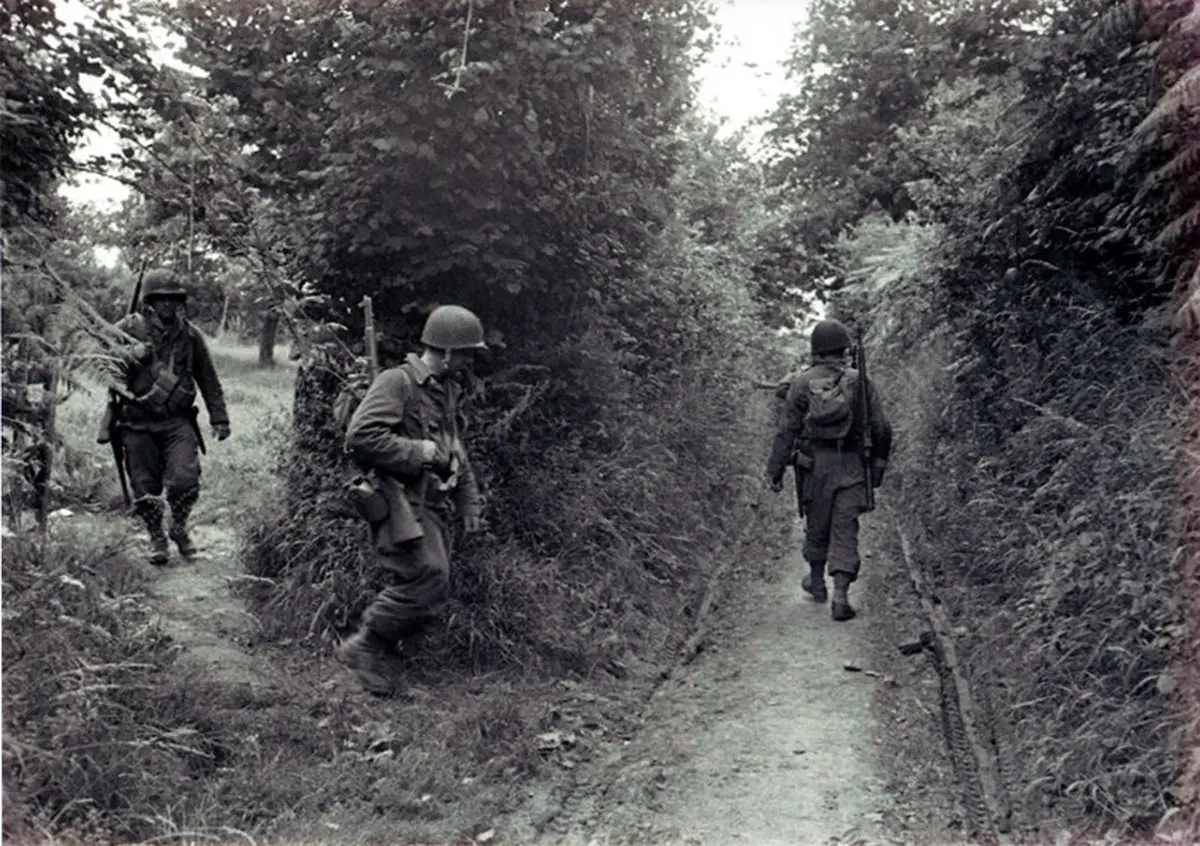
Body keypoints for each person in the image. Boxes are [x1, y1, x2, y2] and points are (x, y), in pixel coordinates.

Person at [337, 304, 487, 696]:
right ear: (448, 351)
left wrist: (468, 500)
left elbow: (455, 447)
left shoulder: (447, 390)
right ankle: (366, 643)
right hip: (399, 501)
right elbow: (360, 437)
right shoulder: (397, 383)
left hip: (432, 502)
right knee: (429, 575)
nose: (470, 361)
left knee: (434, 583)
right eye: (467, 353)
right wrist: (417, 451)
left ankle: (382, 665)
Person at [766, 318, 893, 621]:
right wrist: (878, 464)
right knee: (845, 527)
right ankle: (841, 596)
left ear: (816, 350)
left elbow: (786, 431)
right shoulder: (859, 381)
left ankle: (817, 581)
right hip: (851, 464)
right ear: (842, 349)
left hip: (814, 466)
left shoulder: (800, 382)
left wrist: (774, 470)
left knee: (816, 521)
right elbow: (881, 428)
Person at [107, 269, 230, 565]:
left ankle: (178, 527)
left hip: (177, 421)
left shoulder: (190, 335)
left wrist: (220, 418)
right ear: (150, 301)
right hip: (136, 422)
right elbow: (102, 358)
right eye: (161, 299)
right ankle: (156, 537)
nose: (168, 305)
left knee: (186, 479)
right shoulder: (128, 328)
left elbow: (208, 378)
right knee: (145, 487)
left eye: (173, 299)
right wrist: (128, 354)